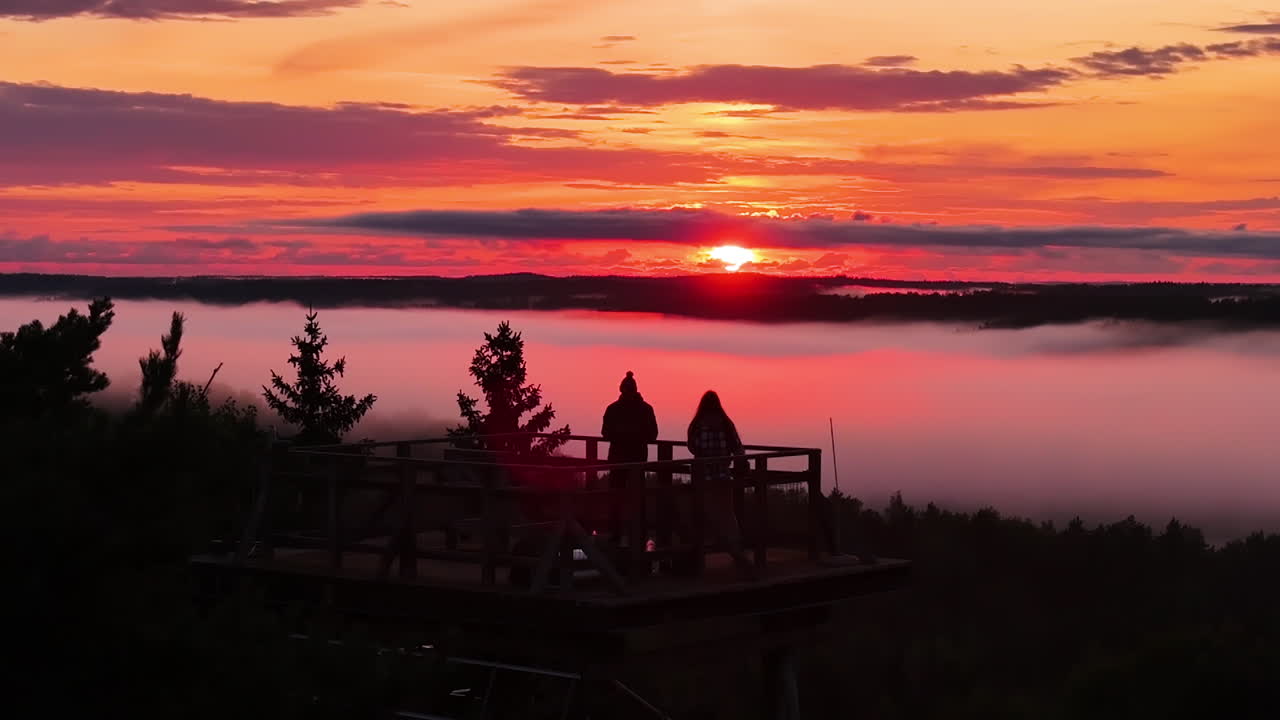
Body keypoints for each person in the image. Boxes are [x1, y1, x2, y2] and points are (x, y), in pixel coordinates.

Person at [687, 390, 756, 580]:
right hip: (724, 477)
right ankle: (738, 554)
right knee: (727, 517)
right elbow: (737, 447)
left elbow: (692, 446)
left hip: (703, 480)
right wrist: (742, 463)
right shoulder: (726, 423)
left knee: (707, 517)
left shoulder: (697, 424)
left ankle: (727, 557)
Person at [600, 371, 658, 541]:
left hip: (617, 460)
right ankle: (638, 536)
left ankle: (614, 535)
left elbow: (605, 433)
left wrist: (621, 436)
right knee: (638, 500)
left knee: (616, 499)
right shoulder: (646, 409)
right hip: (638, 460)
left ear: (621, 390)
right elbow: (653, 434)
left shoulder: (613, 409)